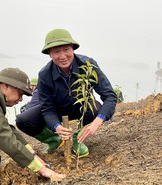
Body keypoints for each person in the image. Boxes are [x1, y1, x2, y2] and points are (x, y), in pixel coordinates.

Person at [16, 29, 117, 158]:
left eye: (66, 50)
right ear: (49, 54)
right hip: (57, 110)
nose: (63, 56)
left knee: (97, 109)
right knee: (24, 120)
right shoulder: (45, 74)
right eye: (56, 51)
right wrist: (57, 127)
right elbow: (47, 108)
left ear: (72, 49)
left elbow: (110, 96)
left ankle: (78, 139)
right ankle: (54, 140)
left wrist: (97, 122)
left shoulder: (88, 65)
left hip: (82, 107)